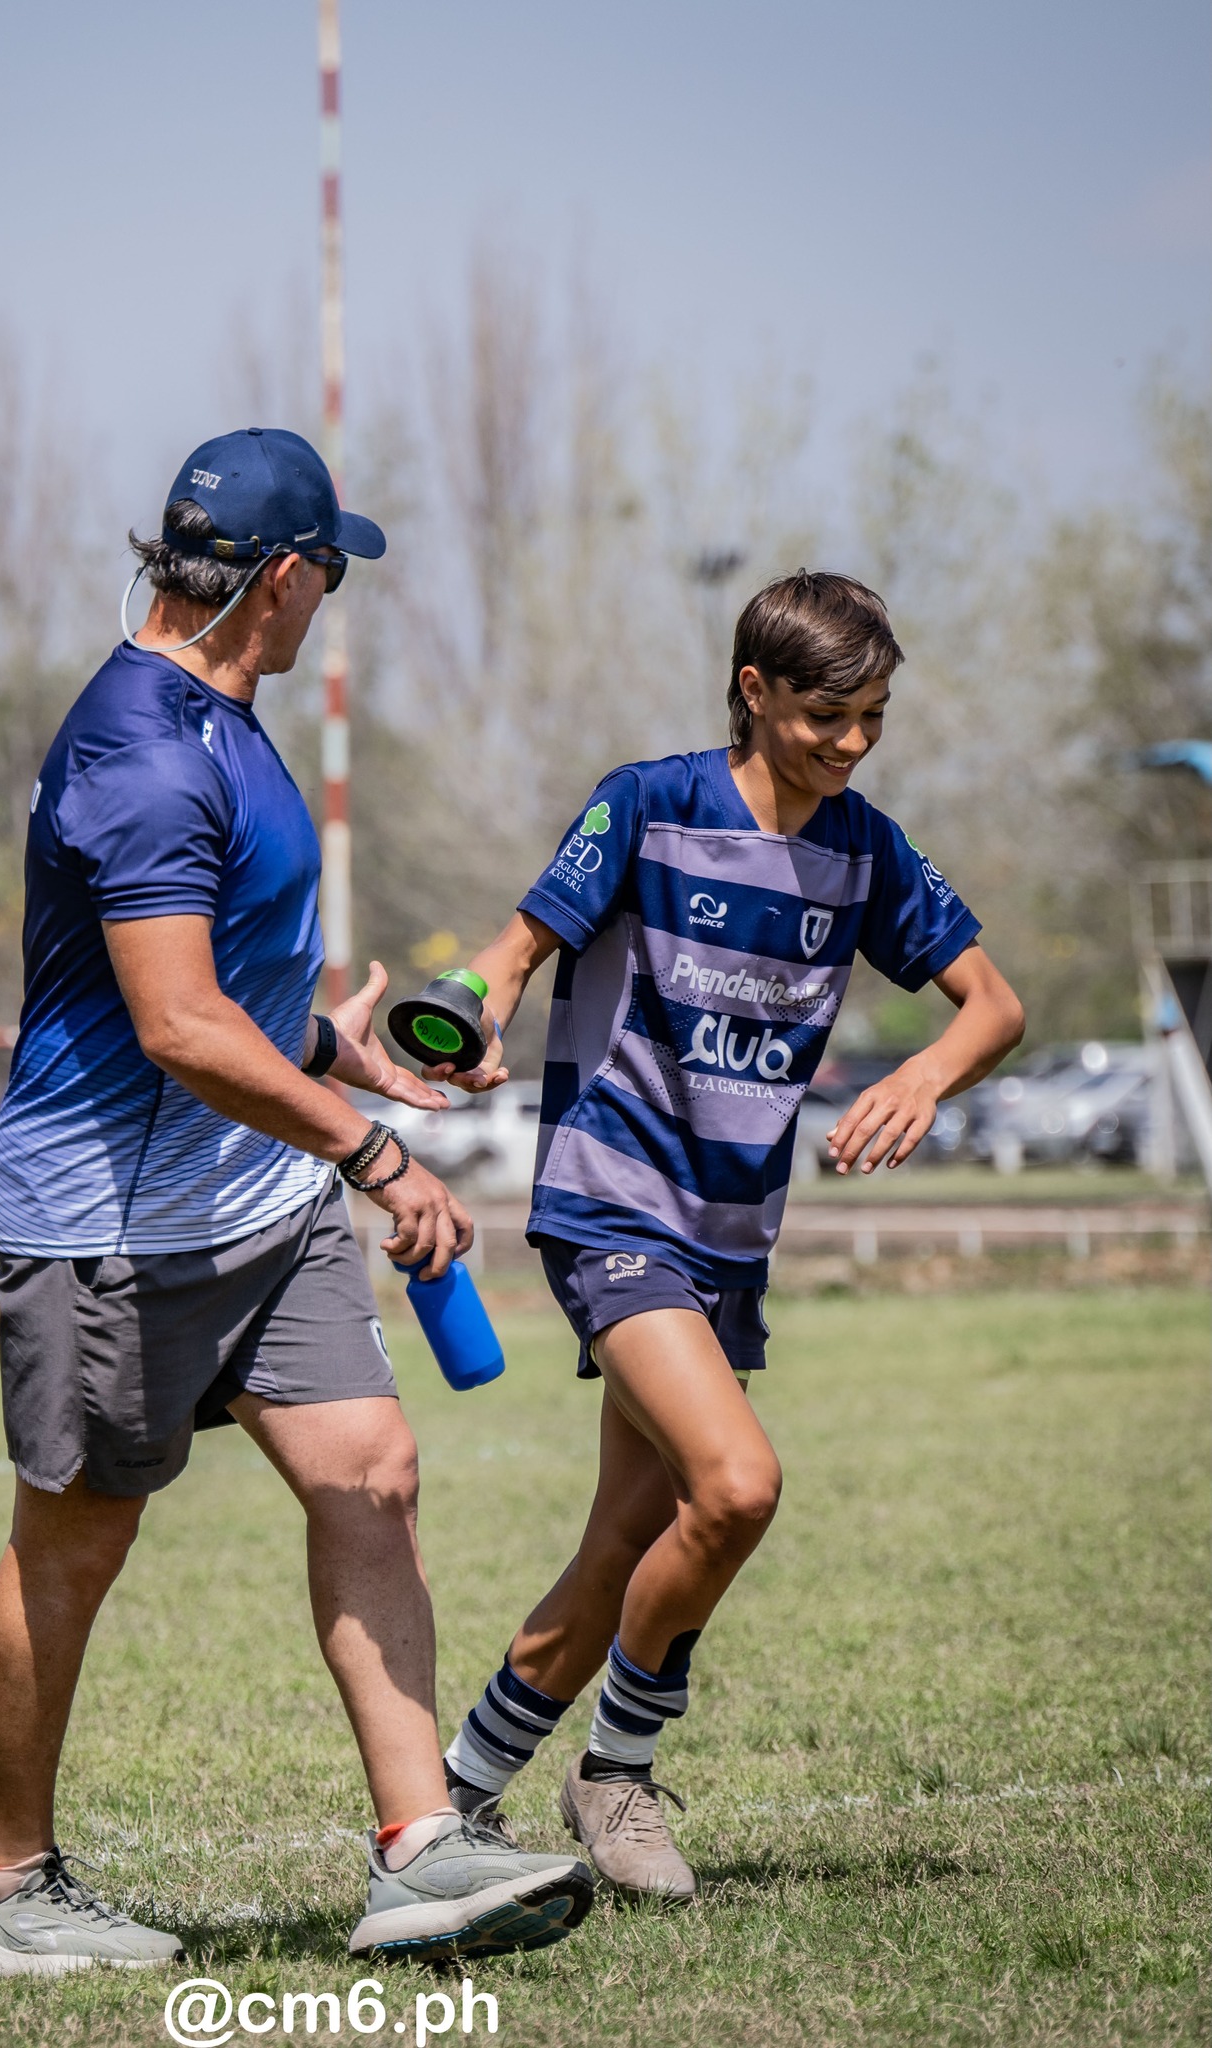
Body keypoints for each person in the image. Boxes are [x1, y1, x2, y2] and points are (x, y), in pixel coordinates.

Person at [0, 427, 592, 1977]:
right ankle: (4, 1887)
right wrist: (368, 1150)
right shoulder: (140, 753)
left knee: (369, 1468)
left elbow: (212, 999)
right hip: (110, 1224)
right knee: (73, 1548)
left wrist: (328, 1050)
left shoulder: (220, 719)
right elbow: (167, 1026)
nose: (327, 602)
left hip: (252, 1191)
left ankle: (421, 1847)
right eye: (328, 574)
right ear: (281, 579)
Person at [430, 571, 1025, 1901]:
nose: (852, 745)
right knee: (737, 1485)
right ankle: (617, 1773)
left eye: (872, 718)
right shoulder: (647, 804)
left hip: (726, 1233)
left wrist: (924, 1074)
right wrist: (470, 1003)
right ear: (751, 691)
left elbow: (993, 1005)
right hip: (609, 1199)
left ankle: (454, 1800)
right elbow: (516, 948)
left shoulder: (862, 848)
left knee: (625, 1541)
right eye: (827, 717)